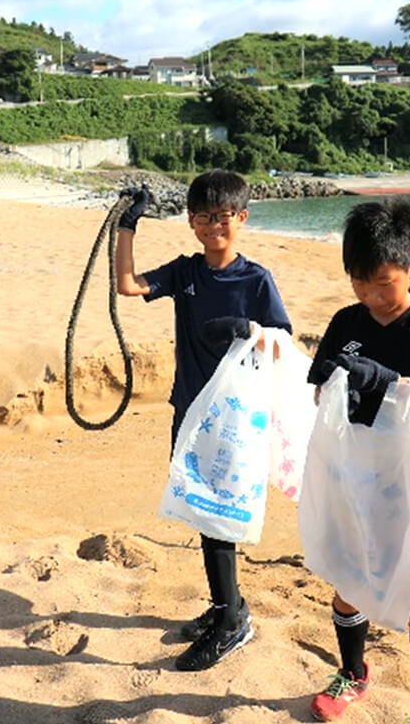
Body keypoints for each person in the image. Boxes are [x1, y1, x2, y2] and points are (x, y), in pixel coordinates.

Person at [114, 169, 292, 672]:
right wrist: (129, 227)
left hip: (235, 420)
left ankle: (232, 621)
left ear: (241, 218)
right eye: (204, 218)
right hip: (189, 409)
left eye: (223, 217)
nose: (215, 226)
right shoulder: (186, 272)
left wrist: (250, 329)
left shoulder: (256, 280)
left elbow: (281, 345)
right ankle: (224, 606)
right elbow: (127, 286)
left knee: (219, 520)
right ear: (191, 223)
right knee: (201, 513)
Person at [306, 197, 410, 723]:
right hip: (355, 478)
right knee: (349, 581)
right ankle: (353, 673)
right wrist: (337, 381)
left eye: (383, 282)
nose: (371, 295)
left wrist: (388, 383)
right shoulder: (346, 321)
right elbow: (317, 394)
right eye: (359, 282)